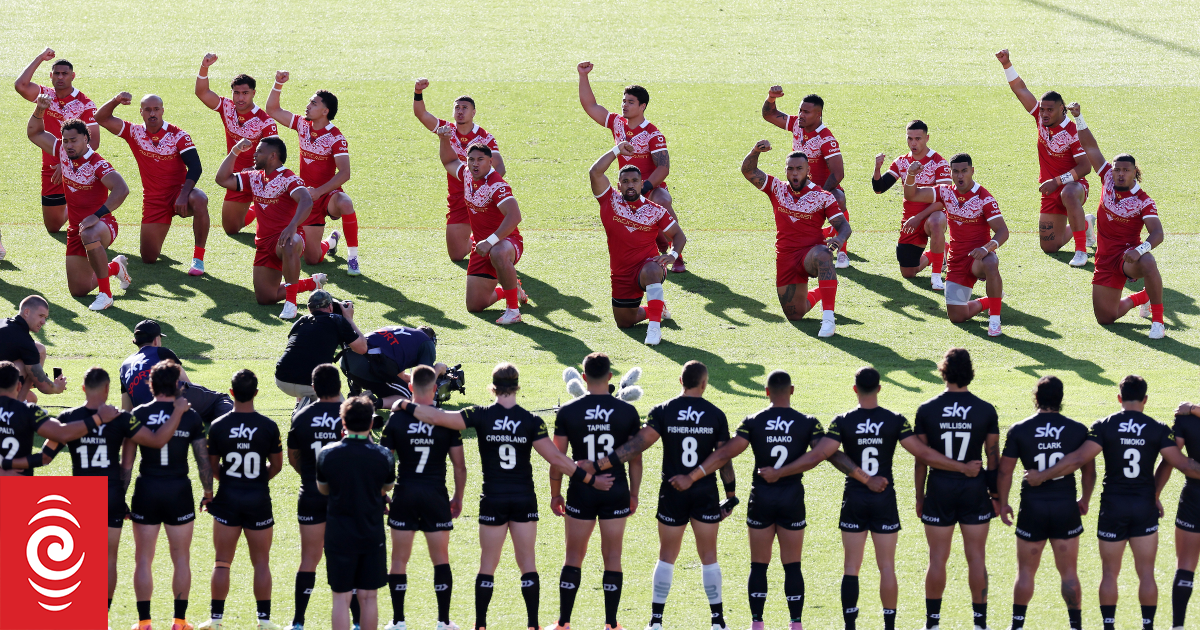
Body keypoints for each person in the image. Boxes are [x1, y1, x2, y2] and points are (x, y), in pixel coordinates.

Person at [398, 362, 613, 630]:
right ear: (517, 386)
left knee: (487, 564)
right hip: (524, 499)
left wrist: (404, 405)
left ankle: (481, 625)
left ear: (493, 386)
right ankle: (533, 625)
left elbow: (436, 417)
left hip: (493, 499)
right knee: (528, 563)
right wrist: (591, 480)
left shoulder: (478, 414)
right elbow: (557, 459)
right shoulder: (531, 420)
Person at [1029, 376, 1200, 630]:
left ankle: (1108, 626)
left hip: (1113, 507)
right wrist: (1154, 495)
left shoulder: (1104, 426)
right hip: (1144, 507)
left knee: (1109, 573)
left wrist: (1042, 475)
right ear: (1145, 400)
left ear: (1119, 398)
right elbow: (1185, 464)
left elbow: (1077, 459)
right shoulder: (1158, 428)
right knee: (1146, 573)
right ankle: (1148, 626)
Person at [816, 366, 980, 630]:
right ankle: (889, 626)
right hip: (884, 498)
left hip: (855, 498)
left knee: (850, 567)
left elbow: (825, 452)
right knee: (887, 567)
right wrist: (961, 467)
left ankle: (849, 626)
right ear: (880, 388)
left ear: (855, 389)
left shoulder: (841, 421)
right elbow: (923, 454)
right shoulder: (895, 420)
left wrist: (862, 477)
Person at [667, 369, 829, 630]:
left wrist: (694, 475)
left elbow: (723, 454)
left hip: (761, 498)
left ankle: (757, 623)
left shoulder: (753, 421)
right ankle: (796, 624)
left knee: (758, 565)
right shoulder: (808, 422)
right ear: (792, 390)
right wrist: (784, 472)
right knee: (793, 565)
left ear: (766, 392)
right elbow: (820, 454)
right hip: (792, 498)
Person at [22, 367, 186, 618]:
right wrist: (176, 412)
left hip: (81, 495)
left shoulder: (68, 418)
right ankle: (102, 617)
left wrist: (10, 463)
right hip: (111, 493)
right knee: (108, 559)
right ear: (108, 389)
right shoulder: (122, 418)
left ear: (83, 388)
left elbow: (44, 457)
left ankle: (77, 615)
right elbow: (155, 441)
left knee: (78, 560)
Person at [586, 360, 734, 630]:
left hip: (672, 491)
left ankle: (655, 621)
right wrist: (731, 493)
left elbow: (634, 447)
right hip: (705, 491)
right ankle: (718, 621)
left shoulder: (664, 411)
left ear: (680, 381)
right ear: (704, 383)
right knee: (709, 556)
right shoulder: (716, 414)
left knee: (666, 555)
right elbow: (723, 458)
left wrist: (598, 465)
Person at [547, 352, 644, 630]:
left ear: (584, 377)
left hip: (581, 490)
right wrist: (634, 494)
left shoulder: (568, 411)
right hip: (616, 488)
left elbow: (558, 458)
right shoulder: (627, 411)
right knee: (613, 556)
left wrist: (555, 493)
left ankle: (564, 622)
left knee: (573, 556)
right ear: (611, 377)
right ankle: (612, 624)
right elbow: (635, 457)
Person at [996, 375, 1094, 630]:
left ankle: (1017, 626)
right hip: (1065, 507)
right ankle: (1075, 626)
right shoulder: (1078, 429)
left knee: (1026, 572)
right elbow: (1088, 471)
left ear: (1035, 397)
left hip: (1033, 507)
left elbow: (1005, 471)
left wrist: (1003, 503)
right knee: (1069, 572)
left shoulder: (1019, 429)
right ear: (1061, 399)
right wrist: (1084, 499)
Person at [912, 348, 1000, 630]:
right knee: (977, 557)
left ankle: (932, 624)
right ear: (970, 372)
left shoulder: (927, 409)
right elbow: (993, 457)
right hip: (974, 488)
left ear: (943, 371)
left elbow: (921, 458)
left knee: (937, 558)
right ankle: (980, 624)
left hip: (939, 487)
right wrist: (995, 495)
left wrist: (919, 497)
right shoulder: (986, 410)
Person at [124, 360, 211, 630]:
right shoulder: (190, 415)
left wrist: (119, 497)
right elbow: (203, 461)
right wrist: (208, 492)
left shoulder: (137, 413)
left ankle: (144, 623)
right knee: (181, 557)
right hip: (178, 491)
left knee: (143, 559)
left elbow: (126, 464)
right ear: (177, 385)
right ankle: (179, 621)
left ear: (151, 385)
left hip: (146, 489)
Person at [379, 365, 467, 630]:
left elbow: (384, 459)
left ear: (410, 388)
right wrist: (458, 497)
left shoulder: (396, 420)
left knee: (398, 560)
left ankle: (398, 621)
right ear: (434, 389)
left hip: (405, 494)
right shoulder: (445, 420)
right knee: (441, 558)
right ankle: (443, 621)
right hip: (435, 495)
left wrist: (382, 493)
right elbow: (460, 465)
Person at [578, 61, 686, 273]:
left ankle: (677, 254)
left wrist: (644, 189)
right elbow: (590, 106)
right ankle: (661, 245)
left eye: (630, 102)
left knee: (662, 200)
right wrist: (583, 76)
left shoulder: (653, 133)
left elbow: (663, 168)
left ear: (642, 106)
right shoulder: (617, 123)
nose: (624, 105)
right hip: (626, 187)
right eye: (623, 101)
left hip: (649, 187)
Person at [27, 95, 132, 310]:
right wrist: (39, 110)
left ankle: (106, 294)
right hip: (76, 229)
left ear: (86, 138)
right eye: (65, 140)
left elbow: (122, 189)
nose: (68, 145)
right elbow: (35, 133)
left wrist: (97, 215)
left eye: (73, 140)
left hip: (102, 225)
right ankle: (116, 267)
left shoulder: (97, 163)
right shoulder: (63, 154)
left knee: (89, 233)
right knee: (79, 290)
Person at [1071, 103, 1166, 338]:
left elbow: (1157, 233)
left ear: (1135, 172)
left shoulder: (1144, 201)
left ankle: (1158, 322)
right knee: (1106, 318)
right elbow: (1090, 147)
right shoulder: (1107, 179)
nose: (1120, 173)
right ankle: (1142, 297)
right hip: (1104, 259)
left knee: (1149, 261)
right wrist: (1079, 117)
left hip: (1127, 257)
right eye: (1117, 170)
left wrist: (1140, 249)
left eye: (1126, 170)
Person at [199, 369, 285, 630]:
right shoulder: (269, 426)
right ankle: (264, 621)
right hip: (258, 498)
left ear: (231, 392)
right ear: (256, 393)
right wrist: (257, 480)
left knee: (222, 561)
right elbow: (277, 466)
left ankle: (216, 620)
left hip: (228, 497)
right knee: (261, 562)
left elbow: (211, 467)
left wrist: (227, 482)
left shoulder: (218, 426)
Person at [741, 139, 850, 337]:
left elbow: (844, 226)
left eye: (799, 168)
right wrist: (755, 150)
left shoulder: (822, 196)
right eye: (790, 169)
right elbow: (748, 171)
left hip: (810, 254)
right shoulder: (776, 188)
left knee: (824, 255)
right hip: (785, 258)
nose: (794, 173)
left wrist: (840, 240)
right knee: (795, 314)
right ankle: (822, 291)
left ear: (808, 170)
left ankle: (828, 318)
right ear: (786, 170)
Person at [995, 49, 1094, 265]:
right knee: (1049, 246)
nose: (1045, 113)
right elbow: (1020, 89)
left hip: (1073, 187)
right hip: (1050, 189)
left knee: (1068, 193)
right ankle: (1084, 224)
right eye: (1042, 110)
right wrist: (1007, 64)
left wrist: (1057, 181)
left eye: (1050, 110)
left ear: (1062, 109)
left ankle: (1081, 251)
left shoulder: (1073, 132)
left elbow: (1085, 167)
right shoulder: (1040, 119)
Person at [94, 91, 209, 274]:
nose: (152, 113)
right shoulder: (134, 132)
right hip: (154, 201)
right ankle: (160, 233)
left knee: (200, 198)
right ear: (141, 112)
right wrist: (116, 100)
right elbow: (100, 117)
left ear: (162, 110)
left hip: (179, 194)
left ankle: (198, 259)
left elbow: (196, 167)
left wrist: (183, 195)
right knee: (148, 258)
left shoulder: (179, 135)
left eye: (156, 109)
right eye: (148, 110)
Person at [214, 136, 327, 318]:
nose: (255, 154)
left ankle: (291, 304)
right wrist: (235, 150)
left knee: (289, 243)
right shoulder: (254, 177)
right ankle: (311, 284)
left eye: (259, 151)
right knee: (265, 298)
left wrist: (292, 226)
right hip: (264, 245)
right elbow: (221, 179)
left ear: (273, 156)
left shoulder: (288, 178)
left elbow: (306, 200)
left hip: (286, 238)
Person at [589, 143, 686, 345]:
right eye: (625, 181)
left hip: (647, 267)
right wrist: (617, 150)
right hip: (621, 273)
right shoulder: (609, 200)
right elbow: (595, 171)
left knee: (652, 269)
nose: (630, 185)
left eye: (634, 181)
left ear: (642, 184)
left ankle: (654, 329)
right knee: (624, 322)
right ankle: (656, 308)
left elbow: (678, 235)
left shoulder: (656, 210)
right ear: (618, 186)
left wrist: (673, 255)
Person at [903, 154, 1009, 336]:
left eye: (964, 171)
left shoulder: (984, 198)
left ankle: (995, 321)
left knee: (991, 261)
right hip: (957, 261)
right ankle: (992, 300)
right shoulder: (945, 192)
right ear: (951, 173)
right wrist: (911, 175)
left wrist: (986, 248)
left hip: (978, 258)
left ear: (972, 171)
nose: (960, 176)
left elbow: (1003, 232)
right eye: (956, 171)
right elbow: (912, 194)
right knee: (957, 317)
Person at [316, 396, 398, 630]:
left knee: (341, 597)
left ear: (343, 422)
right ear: (371, 424)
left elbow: (323, 489)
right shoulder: (383, 455)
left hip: (338, 534)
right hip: (370, 532)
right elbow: (387, 487)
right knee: (369, 597)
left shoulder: (327, 454)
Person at [266, 71, 360, 274]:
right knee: (313, 259)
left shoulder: (336, 137)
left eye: (314, 103)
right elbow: (272, 109)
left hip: (327, 195)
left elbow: (345, 173)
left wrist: (319, 191)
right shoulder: (302, 125)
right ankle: (330, 242)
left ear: (325, 111)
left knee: (345, 202)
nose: (308, 106)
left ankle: (353, 258)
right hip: (308, 199)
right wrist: (278, 84)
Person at [436, 128, 528, 324]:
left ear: (490, 162)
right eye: (471, 160)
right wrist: (444, 139)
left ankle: (513, 311)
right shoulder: (468, 175)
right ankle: (510, 288)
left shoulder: (497, 185)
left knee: (498, 252)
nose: (475, 164)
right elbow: (449, 162)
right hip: (481, 246)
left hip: (507, 241)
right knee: (475, 305)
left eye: (480, 160)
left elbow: (514, 216)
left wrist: (491, 240)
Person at [411, 79, 503, 262]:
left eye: (465, 108)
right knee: (456, 256)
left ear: (474, 112)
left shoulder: (485, 137)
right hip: (457, 201)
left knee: (494, 255)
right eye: (457, 108)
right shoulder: (446, 130)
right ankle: (474, 241)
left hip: (480, 199)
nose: (460, 111)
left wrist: (484, 189)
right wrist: (417, 91)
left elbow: (500, 166)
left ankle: (486, 240)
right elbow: (421, 114)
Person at [13, 48, 100, 234]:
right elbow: (20, 85)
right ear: (51, 76)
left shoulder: (85, 104)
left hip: (77, 166)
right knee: (53, 227)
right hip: (51, 168)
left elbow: (94, 142)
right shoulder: (45, 95)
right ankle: (73, 204)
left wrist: (67, 163)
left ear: (73, 76)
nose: (61, 77)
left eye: (65, 74)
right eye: (57, 74)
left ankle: (80, 202)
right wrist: (40, 58)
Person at [286, 364, 346, 630]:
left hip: (310, 493)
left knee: (309, 558)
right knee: (345, 557)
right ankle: (355, 622)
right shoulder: (350, 414)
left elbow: (292, 458)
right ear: (339, 386)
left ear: (314, 387)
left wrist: (311, 474)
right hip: (344, 497)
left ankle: (298, 621)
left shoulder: (300, 417)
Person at [762, 89, 850, 268]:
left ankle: (842, 252)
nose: (800, 115)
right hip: (797, 185)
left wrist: (818, 195)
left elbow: (838, 174)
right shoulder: (796, 124)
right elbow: (769, 114)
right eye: (800, 110)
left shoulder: (826, 139)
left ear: (818, 114)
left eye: (806, 112)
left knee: (839, 198)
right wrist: (771, 97)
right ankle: (821, 235)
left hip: (821, 188)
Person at [194, 53, 279, 234]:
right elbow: (202, 92)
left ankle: (263, 203)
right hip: (236, 179)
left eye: (245, 93)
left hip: (261, 178)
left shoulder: (265, 121)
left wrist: (255, 170)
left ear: (253, 93)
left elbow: (274, 155)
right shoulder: (227, 107)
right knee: (231, 229)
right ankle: (254, 209)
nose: (240, 98)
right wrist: (204, 66)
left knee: (274, 231)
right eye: (237, 93)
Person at [0, 360, 123, 475]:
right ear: (19, 386)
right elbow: (61, 433)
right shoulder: (28, 411)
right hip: (15, 484)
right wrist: (98, 418)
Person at [871, 120, 952, 288]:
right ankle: (938, 252)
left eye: (918, 138)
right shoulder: (901, 162)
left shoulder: (939, 163)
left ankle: (936, 276)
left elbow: (944, 200)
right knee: (908, 272)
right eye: (910, 139)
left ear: (927, 138)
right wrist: (877, 168)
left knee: (937, 221)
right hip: (910, 221)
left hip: (931, 217)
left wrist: (919, 218)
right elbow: (879, 189)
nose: (913, 143)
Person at [276, 290, 367, 401]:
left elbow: (299, 352)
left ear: (309, 308)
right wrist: (348, 319)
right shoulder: (337, 320)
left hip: (281, 379)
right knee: (343, 414)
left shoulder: (301, 321)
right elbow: (362, 348)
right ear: (330, 307)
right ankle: (305, 407)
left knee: (304, 368)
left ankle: (300, 407)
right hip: (311, 385)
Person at [344, 324, 446, 408]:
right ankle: (370, 403)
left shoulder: (404, 335)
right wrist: (438, 368)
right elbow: (423, 384)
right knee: (411, 397)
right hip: (367, 366)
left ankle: (356, 392)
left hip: (346, 360)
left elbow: (400, 376)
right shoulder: (427, 343)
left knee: (395, 383)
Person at [1170, 398, 1200, 630]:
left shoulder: (1185, 418)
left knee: (1186, 564)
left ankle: (1177, 626)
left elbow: (1171, 457)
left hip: (1194, 496)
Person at [1, 295, 67, 403]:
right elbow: (43, 386)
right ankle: (17, 408)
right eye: (41, 316)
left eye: (45, 318)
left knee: (32, 399)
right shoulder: (25, 342)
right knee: (22, 366)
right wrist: (56, 387)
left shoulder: (4, 323)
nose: (43, 322)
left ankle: (20, 402)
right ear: (26, 312)